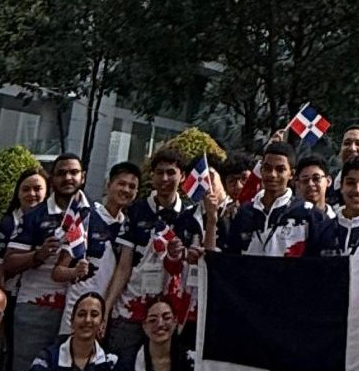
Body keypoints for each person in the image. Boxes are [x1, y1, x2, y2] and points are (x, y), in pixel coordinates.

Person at [107, 149, 204, 354]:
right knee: (122, 367)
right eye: (159, 173)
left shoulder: (192, 216)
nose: (165, 178)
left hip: (171, 313)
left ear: (183, 176)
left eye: (171, 173)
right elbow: (124, 266)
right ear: (152, 175)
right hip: (132, 307)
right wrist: (106, 308)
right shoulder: (136, 210)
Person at [0, 165, 64, 371]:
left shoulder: (53, 220)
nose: (32, 194)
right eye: (26, 189)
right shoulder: (8, 225)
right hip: (7, 305)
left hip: (35, 304)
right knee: (7, 367)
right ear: (17, 193)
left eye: (37, 189)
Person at [56, 160, 138, 334]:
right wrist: (74, 272)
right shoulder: (84, 216)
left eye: (132, 186)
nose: (126, 190)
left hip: (108, 316)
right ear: (109, 185)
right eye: (121, 183)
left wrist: (106, 310)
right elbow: (58, 271)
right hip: (77, 313)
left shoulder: (130, 227)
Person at [216, 143, 323, 257]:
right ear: (261, 170)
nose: (272, 174)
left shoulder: (309, 213)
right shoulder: (243, 212)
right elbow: (230, 260)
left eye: (280, 169)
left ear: (291, 174)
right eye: (267, 168)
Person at [294, 153, 336, 218]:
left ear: (328, 181)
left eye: (316, 178)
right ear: (298, 184)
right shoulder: (289, 219)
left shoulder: (338, 221)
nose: (310, 184)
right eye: (305, 180)